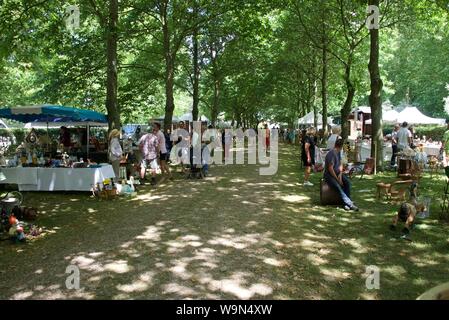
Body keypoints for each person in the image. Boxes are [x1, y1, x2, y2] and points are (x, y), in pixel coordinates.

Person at [323, 138, 358, 211]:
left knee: (347, 182)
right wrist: (337, 179)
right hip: (329, 175)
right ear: (341, 146)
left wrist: (340, 175)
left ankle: (346, 204)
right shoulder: (331, 154)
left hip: (338, 173)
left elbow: (340, 164)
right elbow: (330, 169)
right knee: (338, 186)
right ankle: (350, 203)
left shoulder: (338, 152)